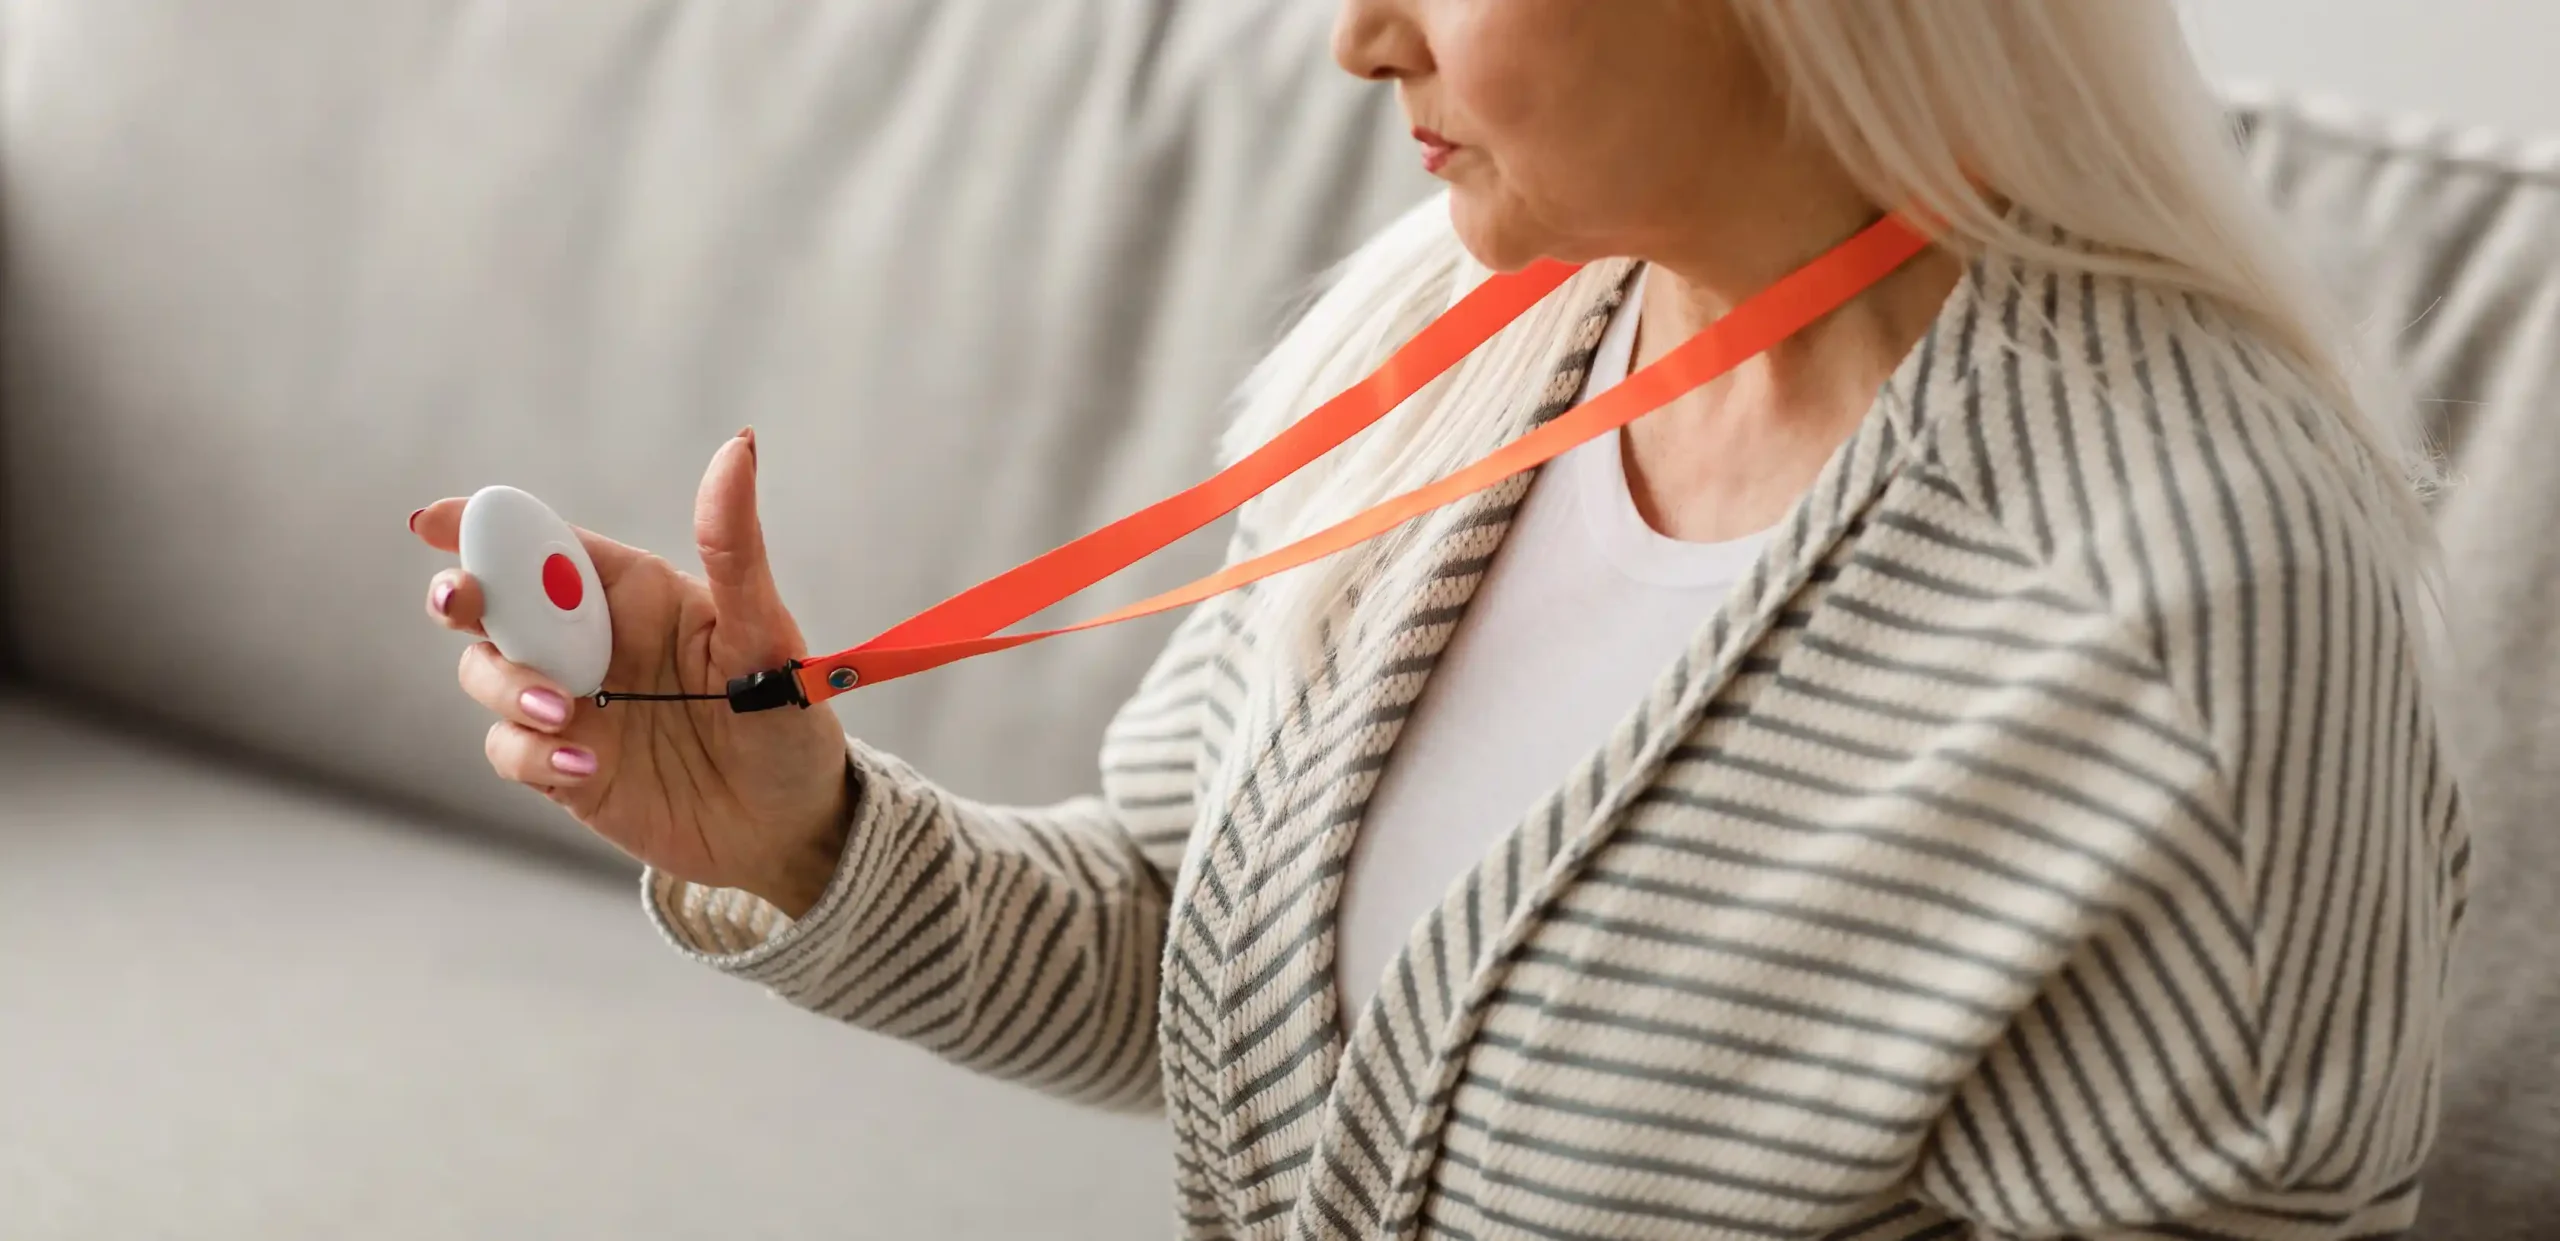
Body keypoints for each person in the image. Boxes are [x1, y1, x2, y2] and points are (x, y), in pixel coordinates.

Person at [408, 2, 2465, 1236]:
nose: (1351, 32)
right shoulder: (1460, 328)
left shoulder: (2190, 616)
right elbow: (1174, 948)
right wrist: (797, 829)